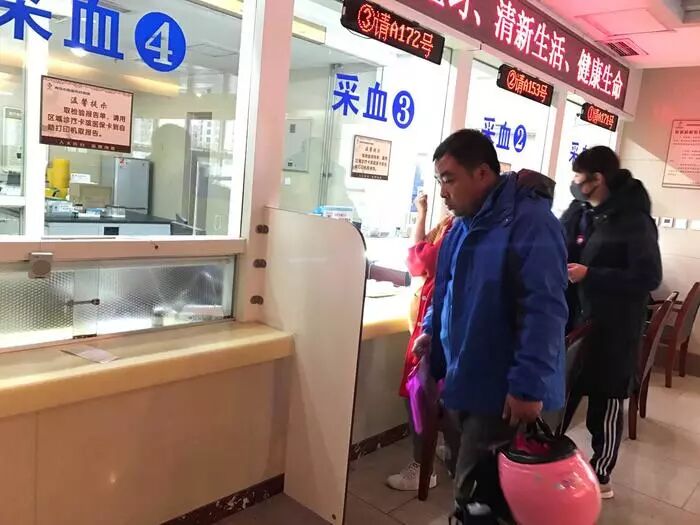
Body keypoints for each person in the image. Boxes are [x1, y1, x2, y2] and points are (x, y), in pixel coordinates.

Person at [413, 129, 568, 524]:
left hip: (503, 391)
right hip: (465, 376)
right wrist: (431, 329)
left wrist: (527, 386)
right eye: (440, 181)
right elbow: (445, 289)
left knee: (482, 496)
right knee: (473, 485)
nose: (443, 193)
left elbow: (544, 310)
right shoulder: (462, 225)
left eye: (449, 179)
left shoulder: (532, 224)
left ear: (482, 173)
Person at [559, 146, 662, 500]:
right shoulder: (583, 210)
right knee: (565, 394)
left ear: (598, 179)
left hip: (615, 328)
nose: (575, 184)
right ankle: (553, 458)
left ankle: (602, 473)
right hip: (578, 323)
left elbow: (648, 277)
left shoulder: (634, 220)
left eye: (579, 178)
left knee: (606, 401)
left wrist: (591, 274)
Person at [386, 194, 453, 491]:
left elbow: (421, 259)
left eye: (450, 180)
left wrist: (422, 214)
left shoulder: (459, 228)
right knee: (435, 396)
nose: (445, 193)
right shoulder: (453, 223)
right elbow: (419, 257)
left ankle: (421, 468)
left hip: (436, 327)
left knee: (419, 394)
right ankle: (439, 453)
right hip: (436, 321)